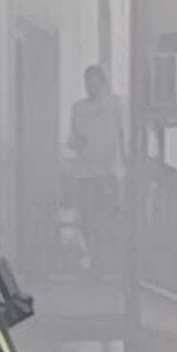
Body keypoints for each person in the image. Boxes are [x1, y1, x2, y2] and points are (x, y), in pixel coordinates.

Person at [67, 64, 124, 272]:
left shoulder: (116, 105)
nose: (90, 86)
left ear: (103, 82)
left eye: (94, 82)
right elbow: (72, 140)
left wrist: (124, 168)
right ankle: (94, 262)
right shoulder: (78, 108)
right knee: (87, 221)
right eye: (87, 82)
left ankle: (108, 264)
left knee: (108, 220)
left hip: (108, 173)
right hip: (85, 173)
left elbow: (123, 136)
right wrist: (77, 143)